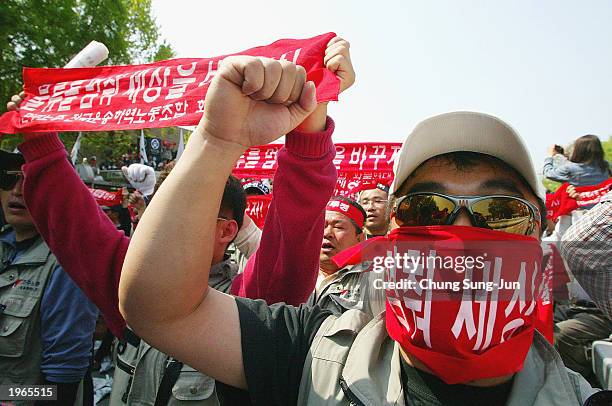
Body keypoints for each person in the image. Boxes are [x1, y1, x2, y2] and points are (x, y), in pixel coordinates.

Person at [119, 54, 597, 405]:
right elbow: (161, 310)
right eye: (428, 208)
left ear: (542, 238)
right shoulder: (312, 352)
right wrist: (218, 139)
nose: (463, 227)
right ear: (390, 232)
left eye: (499, 211)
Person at [10, 36, 354, 405]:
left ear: (226, 230)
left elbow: (292, 231)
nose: (164, 219)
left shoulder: (253, 303)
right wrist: (38, 139)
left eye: (191, 206)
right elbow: (74, 222)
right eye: (162, 204)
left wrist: (309, 121)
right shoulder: (128, 278)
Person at [0, 150, 98, 405]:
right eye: (9, 178)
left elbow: (59, 385)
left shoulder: (65, 265)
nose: (17, 191)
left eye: (31, 180)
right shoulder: (5, 247)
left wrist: (5, 395)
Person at [556, 189, 612, 386]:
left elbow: (577, 243)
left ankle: (580, 388)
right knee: (539, 330)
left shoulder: (601, 224)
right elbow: (560, 241)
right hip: (574, 304)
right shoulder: (573, 215)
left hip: (599, 312)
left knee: (561, 335)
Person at [543, 135, 610, 187]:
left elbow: (549, 173)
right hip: (604, 204)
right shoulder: (605, 166)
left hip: (581, 204)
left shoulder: (570, 169)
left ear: (578, 150)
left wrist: (550, 155)